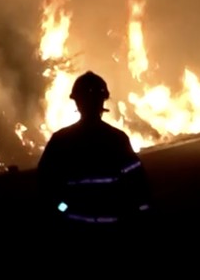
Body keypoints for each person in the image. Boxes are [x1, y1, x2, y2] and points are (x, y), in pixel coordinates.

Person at [36, 71, 153, 231]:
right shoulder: (117, 139)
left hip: (76, 229)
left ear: (77, 102)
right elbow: (138, 185)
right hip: (112, 229)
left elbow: (45, 186)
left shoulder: (61, 140)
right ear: (103, 101)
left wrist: (63, 209)